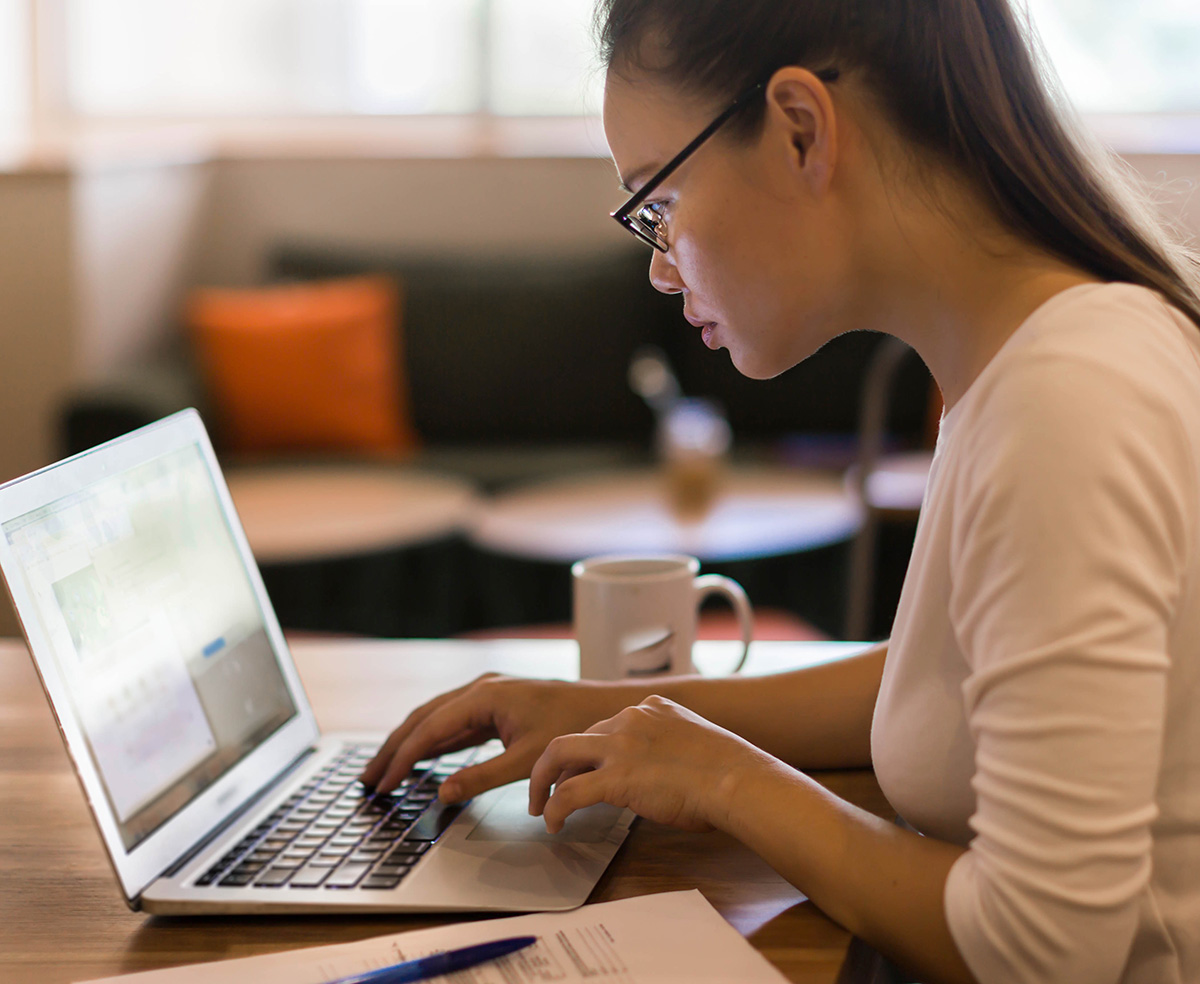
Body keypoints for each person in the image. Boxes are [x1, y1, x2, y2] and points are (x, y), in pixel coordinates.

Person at [362, 2, 1200, 981]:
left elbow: (1040, 950)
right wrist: (613, 713)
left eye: (658, 204)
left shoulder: (1067, 402)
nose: (662, 269)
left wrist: (722, 777)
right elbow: (946, 682)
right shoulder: (1032, 360)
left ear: (801, 128)